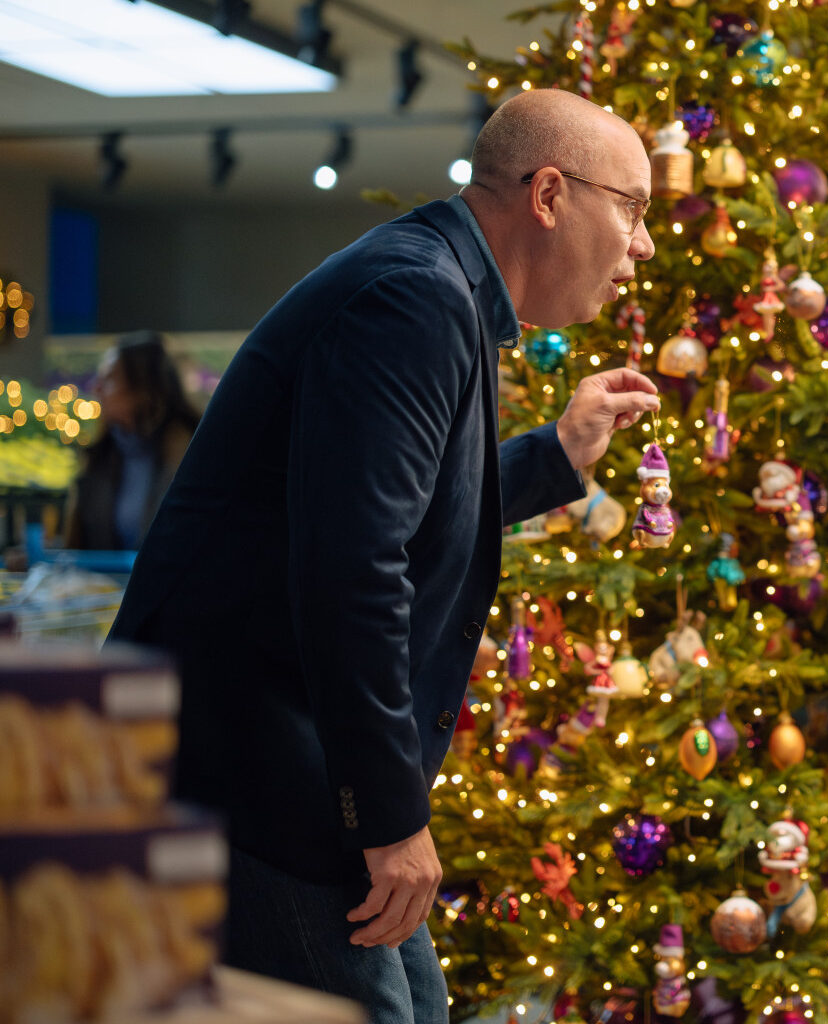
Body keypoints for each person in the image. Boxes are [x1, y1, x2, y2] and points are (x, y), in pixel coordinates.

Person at [105, 89, 661, 1024]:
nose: (641, 246)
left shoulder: (438, 284)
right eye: (633, 209)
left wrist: (556, 455)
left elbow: (385, 515)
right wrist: (390, 816)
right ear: (549, 194)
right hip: (254, 766)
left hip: (276, 757)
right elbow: (353, 571)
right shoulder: (415, 297)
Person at [64, 331, 199, 550]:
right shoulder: (98, 457)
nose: (96, 388)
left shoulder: (194, 455)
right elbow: (76, 548)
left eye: (110, 379)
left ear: (144, 388)